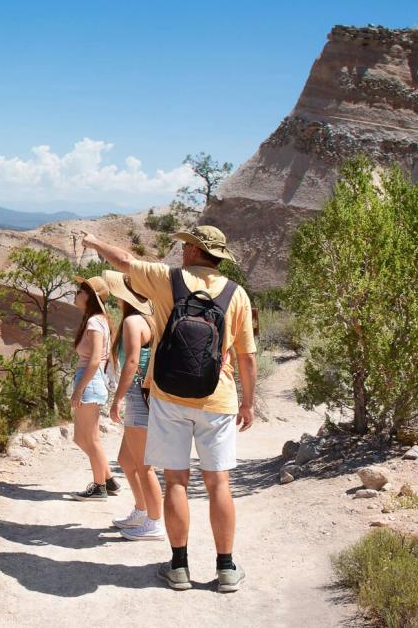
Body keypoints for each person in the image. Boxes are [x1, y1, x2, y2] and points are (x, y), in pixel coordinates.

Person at [81, 226, 256, 593]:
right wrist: (248, 403)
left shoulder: (168, 279)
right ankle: (225, 568)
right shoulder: (236, 294)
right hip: (218, 398)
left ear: (194, 251)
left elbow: (124, 263)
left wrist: (95, 242)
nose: (182, 250)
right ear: (219, 256)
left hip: (169, 397)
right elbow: (246, 357)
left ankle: (178, 567)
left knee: (176, 480)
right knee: (218, 482)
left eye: (185, 245)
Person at [102, 270, 164, 541]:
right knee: (127, 461)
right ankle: (141, 510)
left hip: (138, 397)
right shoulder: (149, 319)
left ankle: (154, 522)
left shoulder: (132, 322)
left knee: (143, 465)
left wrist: (116, 400)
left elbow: (132, 363)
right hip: (143, 396)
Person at [67, 275, 120, 501]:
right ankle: (107, 479)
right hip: (91, 381)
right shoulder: (99, 320)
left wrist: (79, 389)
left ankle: (99, 487)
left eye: (81, 290)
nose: (77, 293)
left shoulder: (94, 322)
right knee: (81, 438)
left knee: (92, 438)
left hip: (89, 382)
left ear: (90, 297)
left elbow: (96, 358)